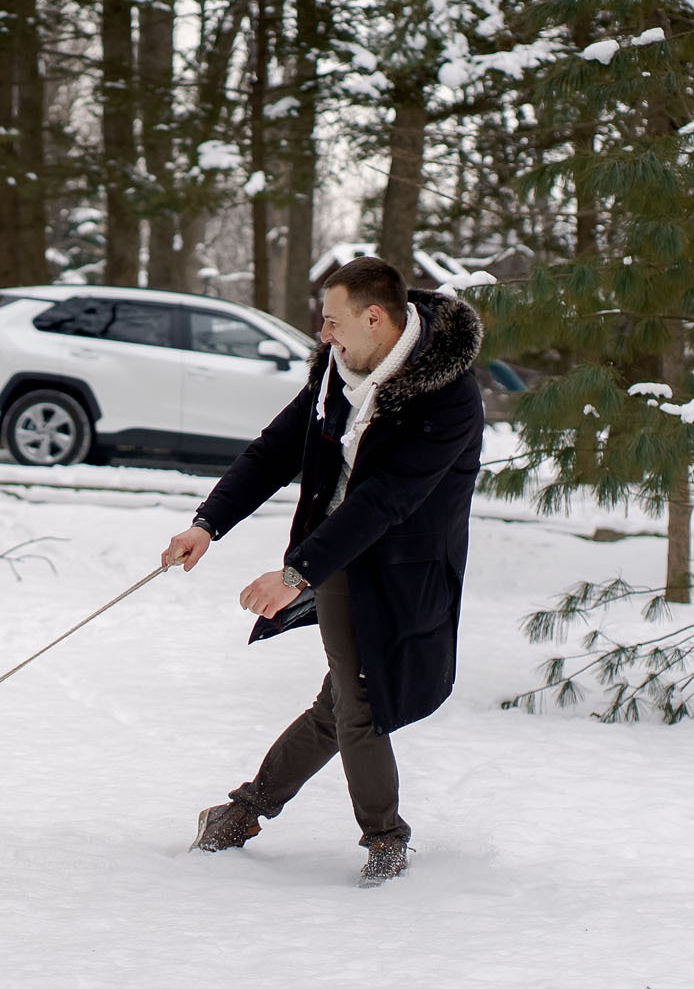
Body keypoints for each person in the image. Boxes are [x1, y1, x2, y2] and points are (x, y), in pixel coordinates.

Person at [161, 256, 484, 885]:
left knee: (342, 702)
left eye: (332, 321)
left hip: (404, 563)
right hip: (335, 555)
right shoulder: (340, 370)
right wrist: (208, 524)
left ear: (375, 317)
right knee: (359, 695)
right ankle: (384, 840)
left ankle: (245, 811)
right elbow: (277, 449)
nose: (323, 334)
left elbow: (386, 497)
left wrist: (293, 574)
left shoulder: (447, 396)